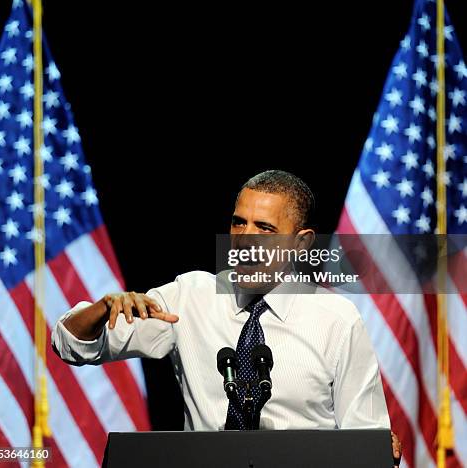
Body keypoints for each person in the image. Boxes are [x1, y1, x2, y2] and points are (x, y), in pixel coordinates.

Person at [51, 170, 401, 463]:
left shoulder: (336, 318)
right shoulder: (189, 297)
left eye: (264, 228)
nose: (245, 239)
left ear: (301, 242)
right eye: (238, 223)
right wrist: (103, 308)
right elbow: (73, 346)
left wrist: (381, 452)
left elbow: (367, 442)